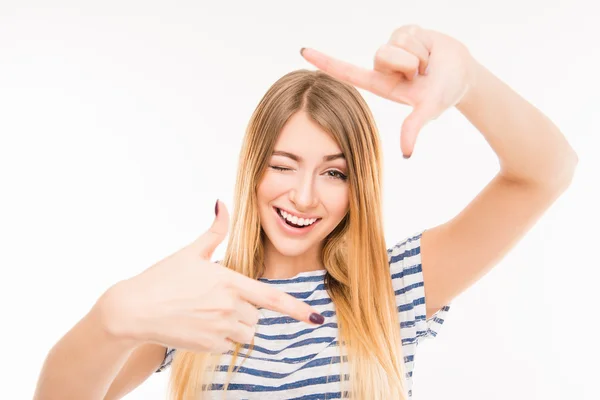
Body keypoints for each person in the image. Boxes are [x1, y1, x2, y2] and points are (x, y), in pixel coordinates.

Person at [33, 24, 578, 400]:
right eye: (284, 165)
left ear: (358, 184)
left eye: (334, 172)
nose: (304, 196)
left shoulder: (392, 286)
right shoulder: (203, 300)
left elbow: (545, 172)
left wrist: (468, 82)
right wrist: (112, 316)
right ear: (253, 170)